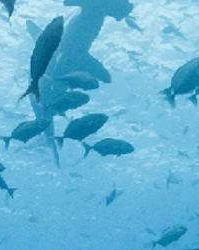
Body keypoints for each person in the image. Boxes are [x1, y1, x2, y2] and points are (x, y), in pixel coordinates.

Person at [31, 0, 135, 166]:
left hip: (74, 59)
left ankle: (48, 137)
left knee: (48, 105)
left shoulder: (92, 13)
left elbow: (104, 76)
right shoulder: (85, 15)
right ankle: (48, 136)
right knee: (44, 104)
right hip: (49, 78)